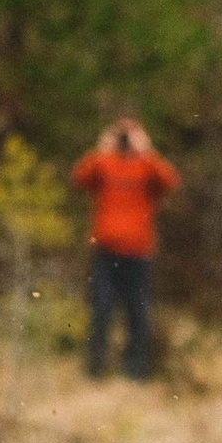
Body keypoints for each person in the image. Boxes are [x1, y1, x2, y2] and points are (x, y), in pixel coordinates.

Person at [72, 118, 180, 380]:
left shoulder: (146, 165)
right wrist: (102, 149)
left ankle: (136, 372)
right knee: (101, 309)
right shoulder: (104, 163)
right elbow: (80, 178)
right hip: (106, 251)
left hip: (138, 251)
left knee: (137, 312)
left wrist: (147, 150)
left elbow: (170, 182)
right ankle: (95, 370)